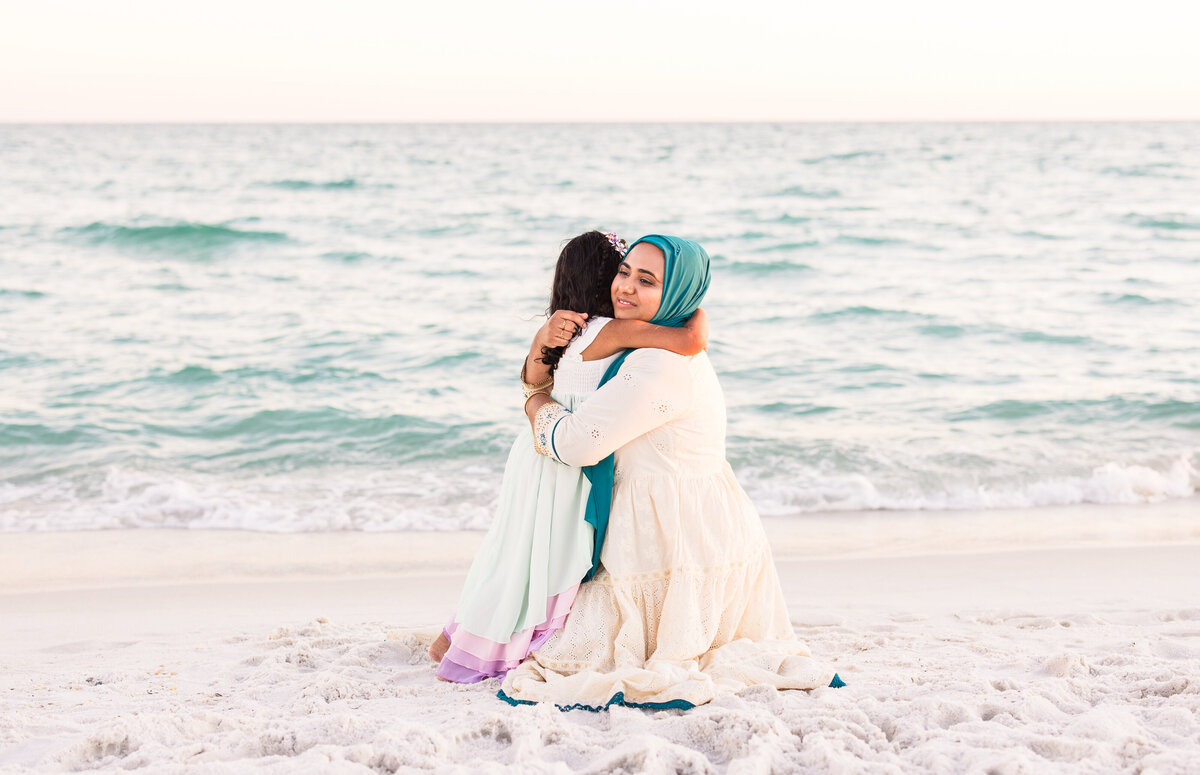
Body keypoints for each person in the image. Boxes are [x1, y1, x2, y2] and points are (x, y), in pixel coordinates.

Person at [501, 234, 839, 710]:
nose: (626, 289)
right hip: (674, 512)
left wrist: (534, 403)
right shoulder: (643, 343)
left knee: (583, 657)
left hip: (679, 534)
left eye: (647, 281)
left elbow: (575, 443)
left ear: (677, 293)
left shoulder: (659, 363)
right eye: (624, 273)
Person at [429, 231, 709, 683]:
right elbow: (690, 340)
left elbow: (534, 381)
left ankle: (459, 638)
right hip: (564, 461)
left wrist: (540, 350)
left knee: (512, 551)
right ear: (604, 281)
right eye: (620, 272)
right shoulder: (612, 331)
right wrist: (696, 308)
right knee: (550, 558)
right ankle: (520, 642)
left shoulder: (562, 331)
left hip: (532, 453)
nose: (625, 286)